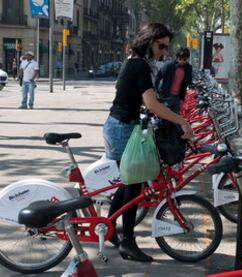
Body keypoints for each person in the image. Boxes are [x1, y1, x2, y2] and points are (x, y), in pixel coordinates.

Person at [103, 23, 194, 262]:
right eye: (161, 45)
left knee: (127, 183)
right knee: (134, 187)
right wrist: (182, 121)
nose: (164, 51)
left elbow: (138, 99)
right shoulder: (140, 65)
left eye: (166, 47)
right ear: (149, 40)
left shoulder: (135, 61)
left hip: (121, 125)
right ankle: (128, 243)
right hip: (122, 128)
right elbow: (152, 104)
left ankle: (110, 229)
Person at [155, 47, 193, 113]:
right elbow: (158, 77)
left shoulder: (188, 68)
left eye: (185, 59)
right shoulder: (168, 66)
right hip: (166, 96)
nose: (182, 61)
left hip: (177, 98)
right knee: (165, 118)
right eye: (180, 59)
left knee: (174, 120)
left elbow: (188, 81)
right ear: (177, 57)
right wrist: (157, 92)